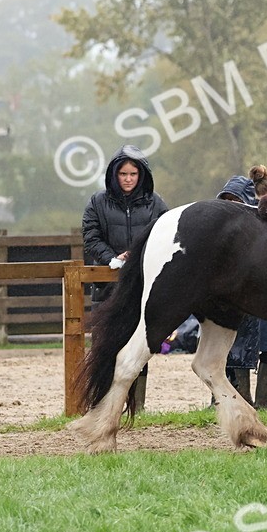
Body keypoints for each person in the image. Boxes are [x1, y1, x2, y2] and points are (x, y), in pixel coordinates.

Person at [82, 144, 169, 411]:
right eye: (123, 174)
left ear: (141, 175)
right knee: (104, 344)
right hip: (107, 286)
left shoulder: (156, 204)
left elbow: (166, 236)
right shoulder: (97, 202)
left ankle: (137, 405)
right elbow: (90, 236)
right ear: (114, 174)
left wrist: (140, 256)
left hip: (141, 285)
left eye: (133, 174)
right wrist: (112, 257)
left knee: (138, 345)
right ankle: (103, 403)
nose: (128, 179)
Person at [216, 165, 267, 409]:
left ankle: (265, 401)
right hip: (235, 301)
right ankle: (239, 399)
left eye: (236, 200)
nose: (231, 206)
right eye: (226, 201)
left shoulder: (266, 225)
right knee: (233, 350)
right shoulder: (217, 232)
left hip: (266, 298)